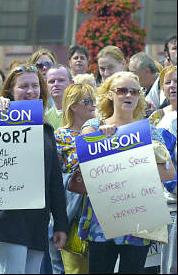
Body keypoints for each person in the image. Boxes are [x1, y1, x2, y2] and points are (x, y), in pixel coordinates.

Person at [79, 71, 175, 273]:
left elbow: (168, 173)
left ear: (140, 96)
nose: (129, 95)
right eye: (122, 90)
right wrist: (101, 138)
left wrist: (137, 153)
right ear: (110, 95)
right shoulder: (93, 127)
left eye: (134, 91)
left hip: (138, 219)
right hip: (101, 221)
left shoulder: (148, 131)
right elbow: (86, 171)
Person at [0, 64, 69, 274]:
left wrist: (60, 223)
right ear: (10, 92)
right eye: (23, 87)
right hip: (8, 217)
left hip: (37, 218)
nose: (30, 91)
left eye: (35, 86)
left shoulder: (46, 129)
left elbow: (54, 181)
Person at [54, 84, 97, 274]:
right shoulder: (60, 136)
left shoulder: (103, 131)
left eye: (93, 101)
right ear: (72, 105)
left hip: (99, 210)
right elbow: (55, 177)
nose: (92, 105)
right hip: (73, 212)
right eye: (87, 101)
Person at [148, 65, 177, 274]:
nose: (173, 86)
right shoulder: (163, 122)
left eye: (177, 81)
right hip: (173, 207)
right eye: (168, 82)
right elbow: (164, 165)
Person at [147, 35, 177, 110]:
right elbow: (150, 106)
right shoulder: (161, 79)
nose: (172, 85)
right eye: (175, 48)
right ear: (167, 54)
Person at [44, 64, 73, 130]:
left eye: (61, 80)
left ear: (72, 83)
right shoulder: (45, 118)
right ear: (46, 86)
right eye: (51, 81)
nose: (56, 84)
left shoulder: (82, 112)